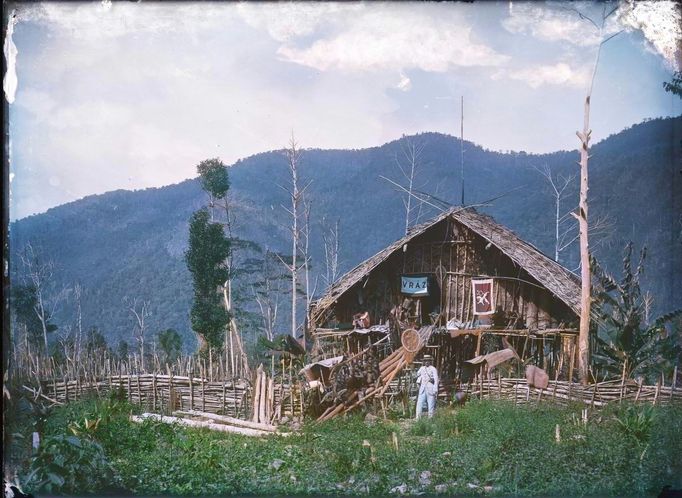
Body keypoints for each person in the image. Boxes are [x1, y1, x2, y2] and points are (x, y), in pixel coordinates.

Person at [415, 354, 438, 419]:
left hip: (430, 388)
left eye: (428, 361)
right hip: (422, 389)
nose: (426, 362)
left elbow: (436, 380)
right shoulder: (422, 368)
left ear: (430, 361)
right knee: (419, 403)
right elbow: (417, 374)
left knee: (431, 404)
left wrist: (435, 389)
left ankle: (430, 418)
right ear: (424, 362)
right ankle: (418, 419)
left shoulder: (433, 369)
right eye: (425, 361)